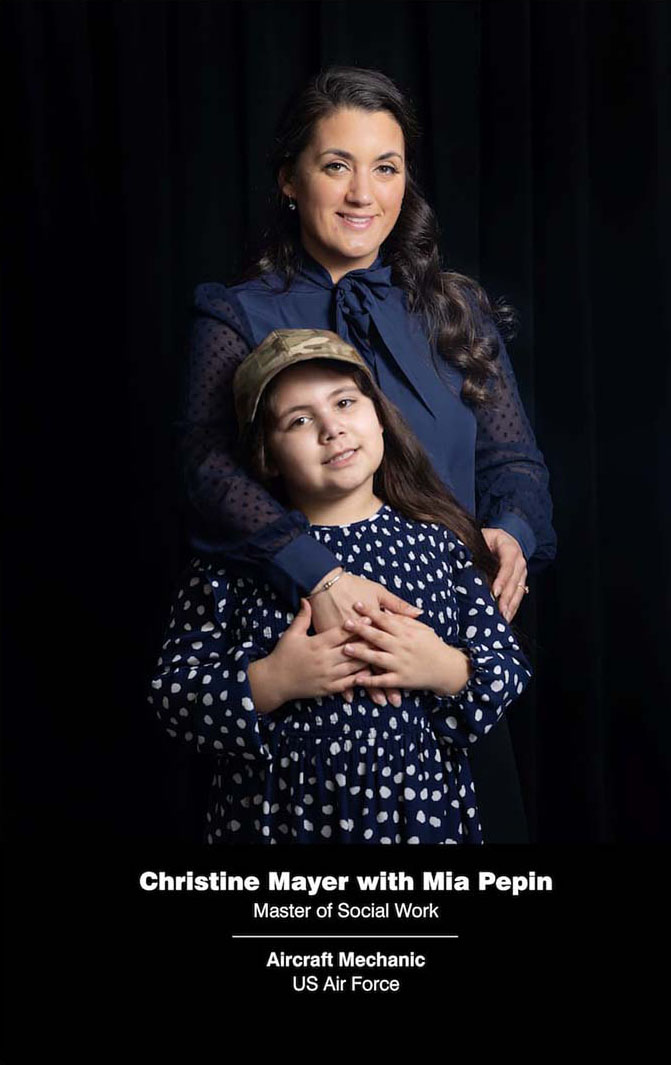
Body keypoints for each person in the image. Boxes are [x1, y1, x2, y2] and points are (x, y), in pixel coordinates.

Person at [179, 66, 556, 841]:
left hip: (440, 645)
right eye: (335, 165)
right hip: (303, 656)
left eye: (385, 167)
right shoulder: (237, 310)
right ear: (290, 179)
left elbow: (512, 460)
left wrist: (511, 530)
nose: (362, 193)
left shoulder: (454, 308)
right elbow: (206, 466)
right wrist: (316, 575)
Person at [150, 329, 532, 844]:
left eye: (345, 402)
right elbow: (173, 698)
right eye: (300, 420)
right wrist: (272, 681)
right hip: (274, 824)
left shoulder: (439, 545)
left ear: (379, 416)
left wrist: (443, 668)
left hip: (417, 823)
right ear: (266, 455)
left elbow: (505, 670)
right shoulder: (234, 562)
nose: (331, 429)